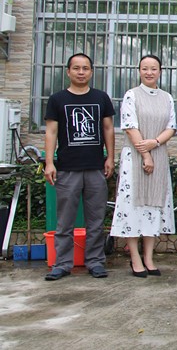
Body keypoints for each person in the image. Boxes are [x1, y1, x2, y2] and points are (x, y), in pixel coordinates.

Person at [43, 53, 115, 281]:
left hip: (95, 167)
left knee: (96, 220)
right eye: (76, 68)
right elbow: (51, 132)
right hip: (67, 168)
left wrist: (110, 157)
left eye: (85, 68)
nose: (81, 72)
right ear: (68, 72)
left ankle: (95, 261)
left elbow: (108, 129)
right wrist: (49, 162)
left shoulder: (101, 98)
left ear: (91, 72)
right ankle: (62, 264)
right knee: (65, 221)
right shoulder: (57, 99)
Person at [110, 55, 177, 277]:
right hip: (135, 157)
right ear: (139, 71)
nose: (149, 72)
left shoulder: (167, 97)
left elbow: (171, 127)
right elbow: (130, 127)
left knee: (153, 207)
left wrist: (155, 143)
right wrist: (146, 155)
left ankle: (149, 257)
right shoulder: (131, 95)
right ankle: (135, 258)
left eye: (154, 68)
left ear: (160, 71)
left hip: (159, 154)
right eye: (145, 68)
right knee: (133, 207)